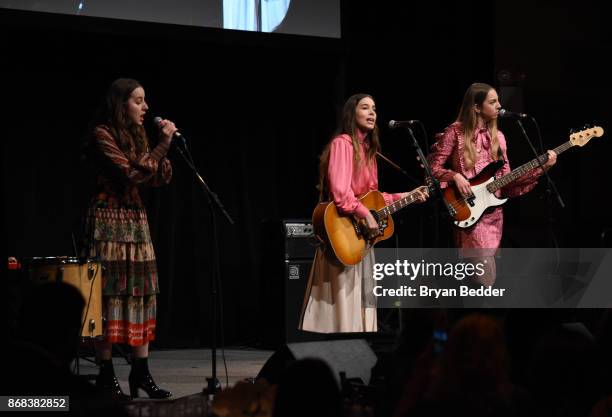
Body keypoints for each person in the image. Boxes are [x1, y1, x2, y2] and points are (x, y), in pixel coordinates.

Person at [299, 93, 428, 333]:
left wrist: (409, 195)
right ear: (352, 114)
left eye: (374, 109)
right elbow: (340, 192)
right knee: (341, 305)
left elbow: (374, 199)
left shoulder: (369, 151)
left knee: (360, 303)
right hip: (343, 232)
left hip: (361, 239)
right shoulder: (343, 143)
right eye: (365, 108)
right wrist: (364, 214)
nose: (372, 113)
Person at [84, 78, 175, 399]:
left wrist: (160, 149)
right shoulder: (102, 134)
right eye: (139, 101)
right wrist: (161, 146)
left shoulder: (137, 135)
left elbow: (161, 175)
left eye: (145, 100)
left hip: (136, 223)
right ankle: (106, 374)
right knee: (109, 296)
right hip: (108, 224)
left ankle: (141, 372)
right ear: (121, 104)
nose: (146, 107)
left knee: (143, 292)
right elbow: (133, 174)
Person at [427, 82, 557, 286]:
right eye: (493, 101)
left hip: (492, 212)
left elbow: (508, 179)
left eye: (498, 101)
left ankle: (476, 314)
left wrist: (543, 168)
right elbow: (432, 169)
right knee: (483, 277)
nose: (499, 105)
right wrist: (454, 176)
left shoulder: (499, 138)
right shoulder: (455, 132)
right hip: (468, 208)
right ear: (477, 107)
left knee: (484, 277)